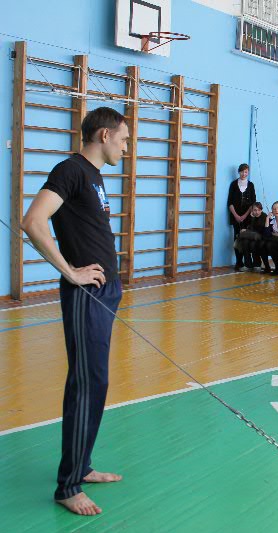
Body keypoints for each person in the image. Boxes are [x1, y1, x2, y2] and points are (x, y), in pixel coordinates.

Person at [21, 107, 129, 516]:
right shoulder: (70, 169)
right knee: (88, 383)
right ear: (103, 135)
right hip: (87, 296)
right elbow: (32, 221)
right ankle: (67, 486)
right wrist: (70, 272)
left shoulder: (94, 176)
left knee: (93, 382)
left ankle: (81, 467)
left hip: (106, 291)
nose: (126, 146)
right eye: (122, 139)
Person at [227, 163, 257, 271]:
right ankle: (238, 262)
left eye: (246, 172)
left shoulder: (251, 185)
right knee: (237, 238)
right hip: (235, 217)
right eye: (242, 171)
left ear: (248, 173)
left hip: (247, 217)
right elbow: (230, 203)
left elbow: (253, 203)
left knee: (246, 238)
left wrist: (244, 216)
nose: (244, 174)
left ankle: (247, 262)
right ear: (239, 172)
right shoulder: (233, 184)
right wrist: (236, 216)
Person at [236, 201, 267, 270]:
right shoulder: (251, 217)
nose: (257, 212)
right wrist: (252, 219)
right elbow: (249, 227)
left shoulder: (264, 216)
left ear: (261, 210)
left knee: (253, 242)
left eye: (259, 210)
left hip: (260, 236)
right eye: (255, 210)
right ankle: (248, 265)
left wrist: (247, 231)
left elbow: (259, 229)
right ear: (252, 210)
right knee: (245, 242)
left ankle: (257, 264)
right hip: (251, 236)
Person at [263, 201, 278, 275]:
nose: (276, 210)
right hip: (274, 244)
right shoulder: (271, 222)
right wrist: (267, 218)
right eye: (274, 209)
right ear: (272, 212)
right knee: (263, 245)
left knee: (269, 244)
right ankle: (270, 268)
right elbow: (266, 235)